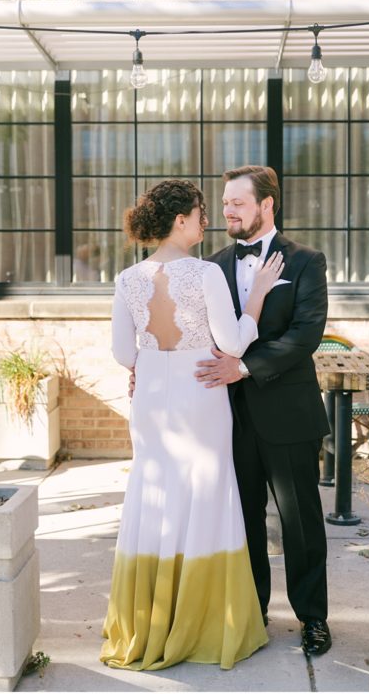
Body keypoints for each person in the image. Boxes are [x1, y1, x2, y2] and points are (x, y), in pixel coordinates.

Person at [102, 179, 283, 671]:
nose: (208, 221)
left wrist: (148, 363)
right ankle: (204, 622)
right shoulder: (204, 274)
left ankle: (150, 621)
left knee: (153, 496)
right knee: (205, 497)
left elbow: (123, 353)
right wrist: (258, 299)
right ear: (179, 220)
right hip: (201, 393)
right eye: (202, 213)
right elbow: (234, 344)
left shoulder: (127, 278)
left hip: (153, 400)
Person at [195, 165, 333, 657]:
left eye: (237, 203)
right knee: (243, 519)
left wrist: (245, 368)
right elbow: (198, 336)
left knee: (300, 521)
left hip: (289, 413)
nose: (227, 211)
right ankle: (252, 613)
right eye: (225, 203)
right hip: (227, 417)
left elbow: (305, 335)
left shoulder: (305, 262)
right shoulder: (210, 266)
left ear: (267, 205)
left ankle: (313, 617)